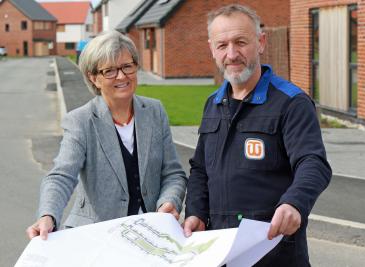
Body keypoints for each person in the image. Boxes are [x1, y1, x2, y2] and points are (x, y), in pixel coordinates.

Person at [183, 4, 331, 266]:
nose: (231, 54)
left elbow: (313, 163)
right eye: (222, 45)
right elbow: (201, 169)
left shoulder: (291, 102)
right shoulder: (213, 104)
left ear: (261, 42)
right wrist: (195, 212)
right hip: (219, 251)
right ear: (212, 50)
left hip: (274, 251)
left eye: (241, 42)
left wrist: (294, 204)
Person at [27, 31, 187, 240]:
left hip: (151, 233)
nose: (121, 76)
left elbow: (173, 174)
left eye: (127, 66)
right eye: (109, 71)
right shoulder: (81, 121)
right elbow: (61, 175)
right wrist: (48, 215)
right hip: (98, 235)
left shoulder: (155, 111)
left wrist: (168, 202)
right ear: (94, 78)